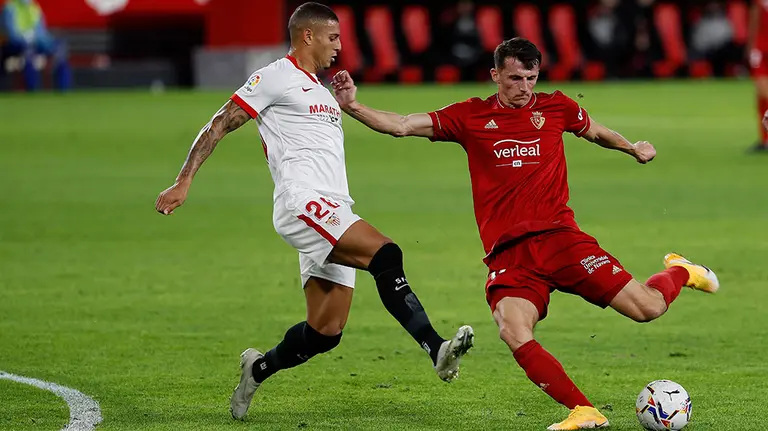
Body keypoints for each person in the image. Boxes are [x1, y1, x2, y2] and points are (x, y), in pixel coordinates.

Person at [332, 37, 719, 430]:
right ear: (495, 75)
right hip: (509, 256)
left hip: (561, 240)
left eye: (531, 78)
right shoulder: (470, 116)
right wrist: (353, 106)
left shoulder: (556, 107)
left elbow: (595, 132)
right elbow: (402, 125)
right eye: (515, 78)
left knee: (648, 309)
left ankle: (681, 271)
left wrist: (631, 148)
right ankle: (584, 410)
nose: (525, 87)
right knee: (512, 328)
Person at [154, 2, 473, 421]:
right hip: (301, 202)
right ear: (308, 36)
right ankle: (437, 349)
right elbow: (220, 122)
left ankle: (257, 370)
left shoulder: (320, 90)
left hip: (334, 208)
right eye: (333, 37)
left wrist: (347, 103)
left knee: (325, 331)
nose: (339, 46)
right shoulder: (275, 76)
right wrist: (184, 179)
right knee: (385, 254)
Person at [0, 0, 70, 91]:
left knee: (59, 48)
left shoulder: (34, 7)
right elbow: (11, 34)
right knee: (28, 50)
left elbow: (41, 33)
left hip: (34, 43)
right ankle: (32, 90)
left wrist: (48, 43)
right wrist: (27, 38)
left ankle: (63, 90)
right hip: (13, 45)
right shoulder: (10, 7)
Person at [748, 0, 768, 151]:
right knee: (761, 92)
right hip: (762, 49)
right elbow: (755, 19)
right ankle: (765, 139)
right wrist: (751, 46)